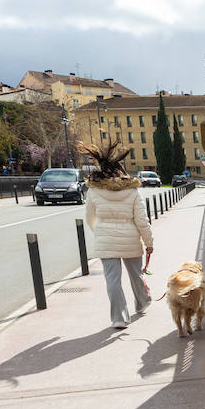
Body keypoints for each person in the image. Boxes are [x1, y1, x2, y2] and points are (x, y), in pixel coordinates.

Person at [82, 139, 153, 329]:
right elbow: (142, 220)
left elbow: (90, 218)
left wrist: (101, 232)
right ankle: (142, 302)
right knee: (136, 275)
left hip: (106, 241)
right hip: (130, 239)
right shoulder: (132, 191)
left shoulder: (94, 191)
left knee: (112, 280)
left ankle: (119, 317)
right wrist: (149, 242)